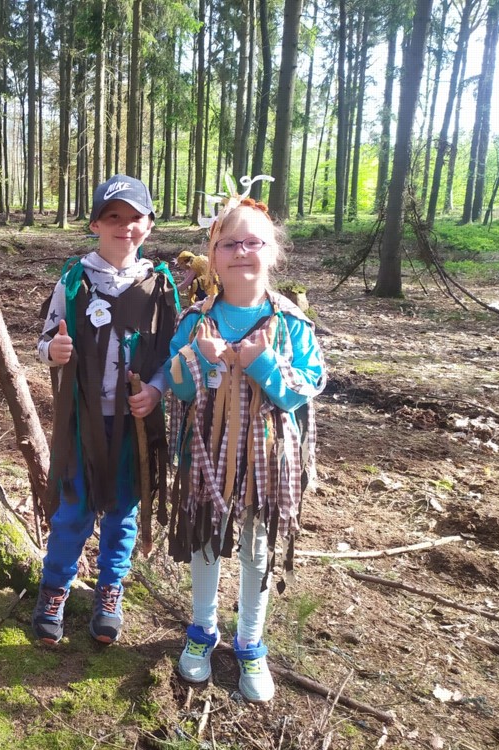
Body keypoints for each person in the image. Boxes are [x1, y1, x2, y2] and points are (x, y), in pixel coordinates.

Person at [165, 175, 326, 701]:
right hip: (207, 456)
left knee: (258, 547)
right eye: (229, 243)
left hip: (267, 461)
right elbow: (177, 387)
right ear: (212, 255)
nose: (241, 252)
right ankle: (202, 630)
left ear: (272, 252)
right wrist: (198, 356)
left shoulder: (291, 322)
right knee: (206, 541)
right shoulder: (196, 320)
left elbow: (305, 387)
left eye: (253, 242)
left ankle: (251, 641)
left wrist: (263, 364)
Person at [32, 174, 180, 646]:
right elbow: (45, 339)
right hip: (82, 422)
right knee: (73, 508)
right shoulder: (74, 281)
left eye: (135, 217)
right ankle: (54, 587)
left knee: (123, 510)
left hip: (135, 424)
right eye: (113, 217)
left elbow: (171, 355)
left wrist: (155, 390)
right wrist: (52, 352)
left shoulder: (159, 286)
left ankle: (110, 589)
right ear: (95, 224)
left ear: (149, 225)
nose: (124, 226)